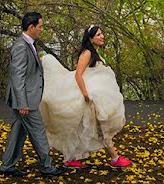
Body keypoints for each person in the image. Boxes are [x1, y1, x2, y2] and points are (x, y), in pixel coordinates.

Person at [39, 24, 133, 170]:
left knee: (87, 126)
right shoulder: (87, 53)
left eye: (102, 34)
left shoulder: (95, 52)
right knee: (101, 126)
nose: (102, 37)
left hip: (96, 96)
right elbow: (78, 74)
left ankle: (71, 158)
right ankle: (115, 158)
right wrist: (85, 94)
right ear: (91, 38)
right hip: (88, 96)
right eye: (98, 35)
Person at [0, 12, 67, 178]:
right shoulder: (21, 46)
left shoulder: (28, 44)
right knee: (39, 133)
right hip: (26, 101)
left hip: (25, 98)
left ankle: (7, 166)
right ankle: (47, 167)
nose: (42, 29)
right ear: (31, 27)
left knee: (18, 133)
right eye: (40, 26)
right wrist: (22, 103)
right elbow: (17, 77)